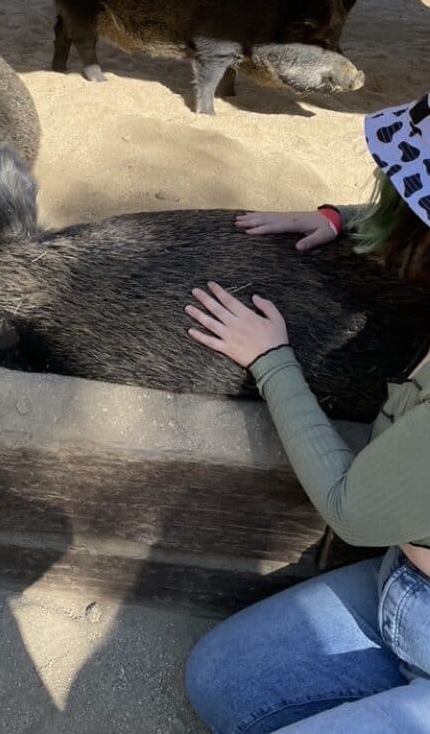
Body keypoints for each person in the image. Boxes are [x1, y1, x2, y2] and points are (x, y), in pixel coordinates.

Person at [183, 91, 430, 733]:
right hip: (403, 585)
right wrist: (344, 219)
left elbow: (353, 509)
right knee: (221, 684)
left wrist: (271, 360)